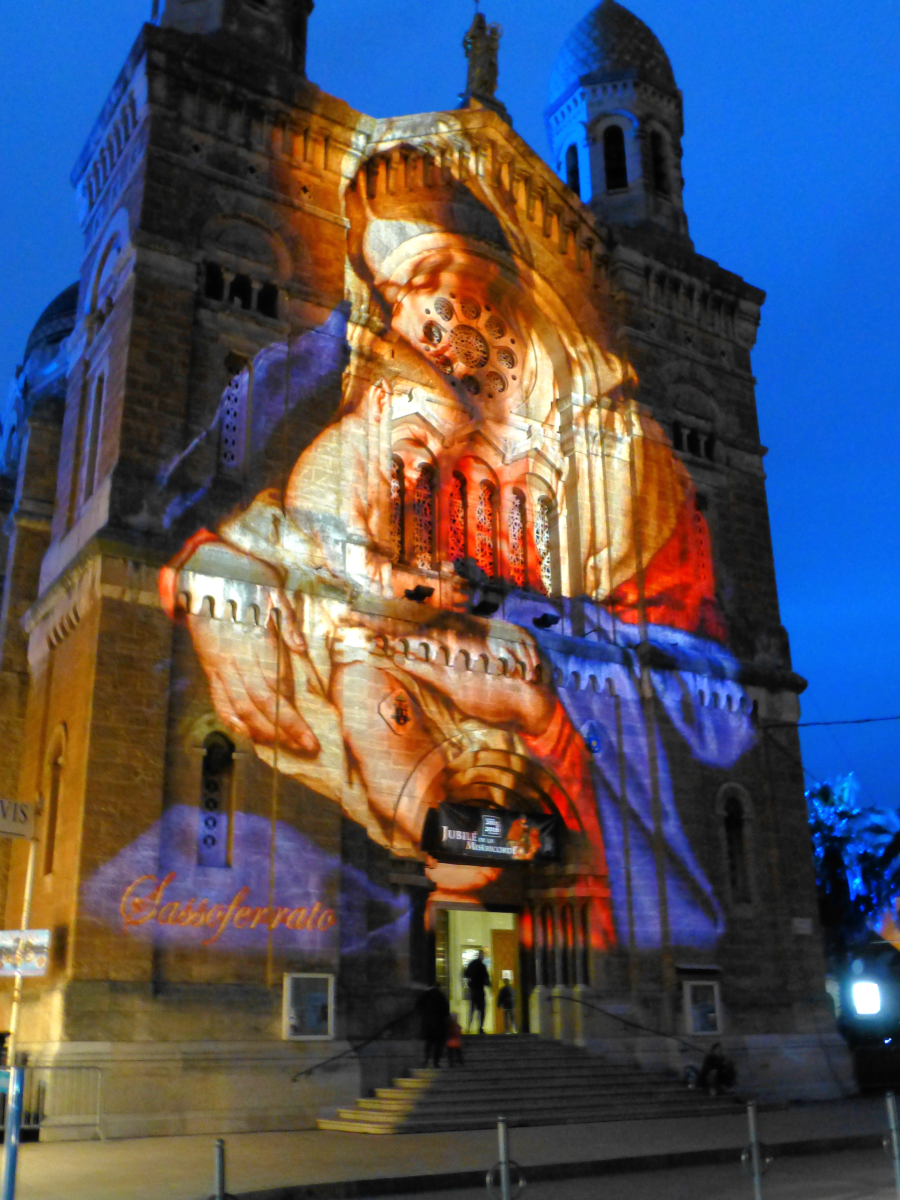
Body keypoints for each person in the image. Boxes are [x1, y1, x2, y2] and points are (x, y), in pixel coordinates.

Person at [416, 982, 450, 1069]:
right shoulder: (441, 996)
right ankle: (436, 1062)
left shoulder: (425, 995)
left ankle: (426, 1061)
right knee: (438, 1045)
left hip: (427, 1024)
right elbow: (446, 1011)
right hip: (439, 1024)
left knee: (428, 1044)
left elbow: (417, 1006)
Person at [464, 950, 491, 1034]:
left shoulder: (472, 964)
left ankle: (469, 1027)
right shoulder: (482, 966)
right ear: (481, 956)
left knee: (472, 1009)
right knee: (481, 1010)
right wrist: (489, 985)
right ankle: (480, 1028)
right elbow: (486, 978)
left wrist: (470, 981)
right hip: (479, 990)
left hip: (473, 990)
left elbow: (465, 974)